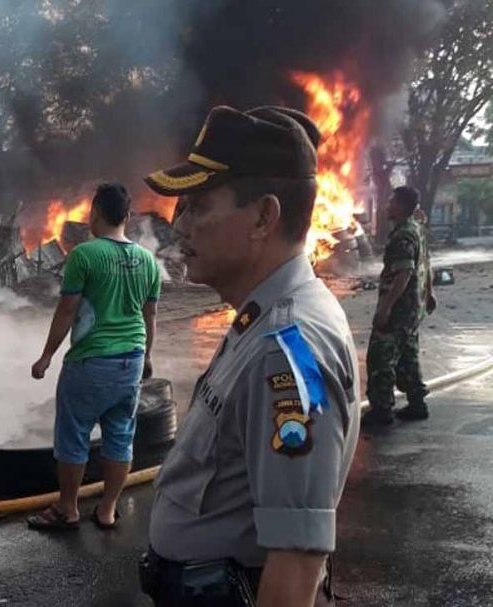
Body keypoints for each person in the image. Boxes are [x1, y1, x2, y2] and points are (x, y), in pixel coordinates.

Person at [139, 106, 361, 606]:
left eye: (197, 205)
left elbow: (295, 561)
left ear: (263, 216)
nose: (182, 226)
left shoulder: (287, 349)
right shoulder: (257, 319)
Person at [28, 182, 160, 531]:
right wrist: (147, 356)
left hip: (91, 361)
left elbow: (66, 311)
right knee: (120, 434)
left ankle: (67, 509)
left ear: (95, 213)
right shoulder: (147, 260)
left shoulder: (84, 255)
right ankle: (107, 509)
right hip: (131, 359)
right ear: (128, 217)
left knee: (73, 434)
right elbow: (150, 317)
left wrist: (46, 356)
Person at [363, 186, 435, 426]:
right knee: (407, 356)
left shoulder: (403, 235)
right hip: (414, 308)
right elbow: (425, 262)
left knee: (380, 358)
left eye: (391, 202)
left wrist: (385, 308)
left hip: (399, 309)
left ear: (402, 206)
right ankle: (417, 404)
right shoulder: (417, 229)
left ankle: (381, 411)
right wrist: (429, 293)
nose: (387, 205)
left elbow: (404, 273)